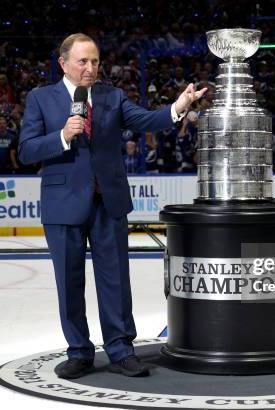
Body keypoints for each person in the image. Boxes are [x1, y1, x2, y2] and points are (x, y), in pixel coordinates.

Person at [18, 33, 205, 379]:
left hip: (108, 203)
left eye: (95, 62)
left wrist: (178, 108)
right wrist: (62, 136)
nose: (90, 68)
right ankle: (79, 352)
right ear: (63, 63)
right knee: (69, 282)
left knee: (115, 281)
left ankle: (120, 350)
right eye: (82, 62)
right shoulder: (40, 99)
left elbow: (147, 120)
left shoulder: (112, 96)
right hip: (63, 205)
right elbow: (26, 150)